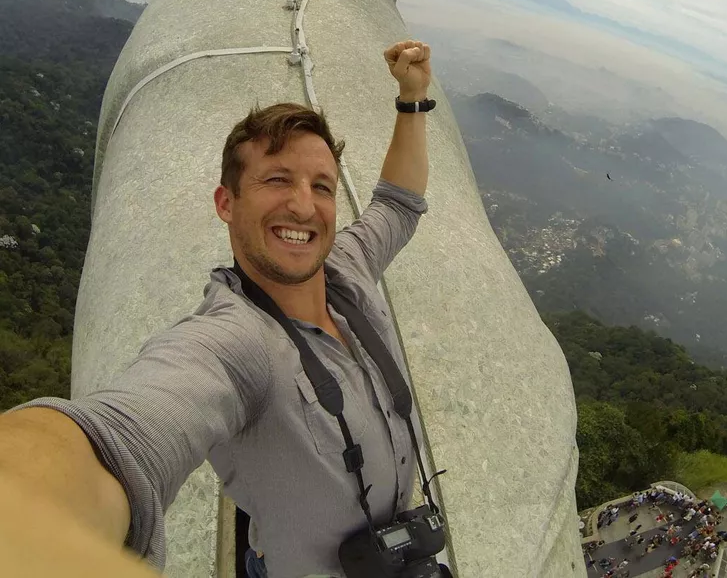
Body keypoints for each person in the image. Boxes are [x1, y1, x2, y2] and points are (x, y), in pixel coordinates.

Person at [0, 41, 434, 578]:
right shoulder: (235, 343)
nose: (304, 204)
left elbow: (397, 202)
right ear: (226, 203)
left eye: (321, 186)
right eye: (277, 179)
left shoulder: (348, 266)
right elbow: (119, 438)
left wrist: (412, 100)